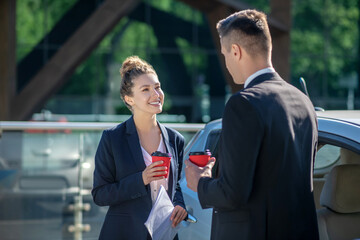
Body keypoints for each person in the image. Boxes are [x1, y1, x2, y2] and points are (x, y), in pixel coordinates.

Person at [185, 9, 319, 240]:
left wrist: (200, 183)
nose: (225, 61)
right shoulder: (303, 101)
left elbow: (233, 193)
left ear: (235, 51)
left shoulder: (243, 104)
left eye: (225, 53)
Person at [92, 56, 187, 240]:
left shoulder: (176, 139)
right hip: (124, 233)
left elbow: (175, 186)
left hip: (164, 233)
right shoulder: (112, 138)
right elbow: (100, 194)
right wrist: (141, 179)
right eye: (145, 89)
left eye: (157, 87)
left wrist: (179, 205)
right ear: (129, 99)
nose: (156, 94)